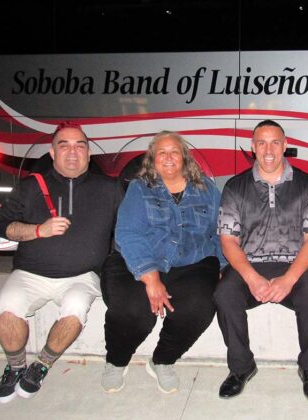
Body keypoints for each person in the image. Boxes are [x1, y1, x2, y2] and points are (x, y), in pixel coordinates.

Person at [0, 121, 124, 403]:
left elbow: (128, 230)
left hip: (82, 276)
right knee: (7, 313)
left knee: (75, 310)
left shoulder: (110, 188)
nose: (73, 152)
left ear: (89, 153)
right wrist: (38, 230)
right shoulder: (31, 186)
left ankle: (42, 364)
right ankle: (15, 367)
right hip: (30, 273)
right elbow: (1, 225)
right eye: (64, 146)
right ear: (52, 153)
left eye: (80, 145)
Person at [101, 131, 226, 394]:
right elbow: (128, 233)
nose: (168, 157)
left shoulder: (206, 189)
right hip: (138, 260)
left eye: (174, 152)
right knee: (133, 311)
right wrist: (151, 277)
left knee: (199, 308)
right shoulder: (139, 188)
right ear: (152, 159)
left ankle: (163, 360)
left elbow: (221, 231)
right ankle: (116, 360)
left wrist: (224, 267)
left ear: (184, 157)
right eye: (162, 152)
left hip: (192, 261)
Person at [214, 120, 308, 401]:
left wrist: (289, 279)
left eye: (275, 142)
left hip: (294, 264)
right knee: (225, 294)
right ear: (252, 147)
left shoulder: (307, 185)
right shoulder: (235, 186)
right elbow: (229, 241)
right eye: (261, 143)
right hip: (249, 263)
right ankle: (241, 367)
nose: (268, 150)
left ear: (285, 146)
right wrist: (252, 278)